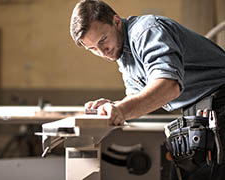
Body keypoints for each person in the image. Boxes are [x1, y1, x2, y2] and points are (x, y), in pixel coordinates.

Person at [70, 0, 225, 179]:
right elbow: (138, 97)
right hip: (201, 109)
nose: (102, 51)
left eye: (103, 40)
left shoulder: (146, 31)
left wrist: (121, 110)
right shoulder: (123, 53)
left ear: (116, 21)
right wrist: (114, 106)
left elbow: (169, 85)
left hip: (220, 100)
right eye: (92, 49)